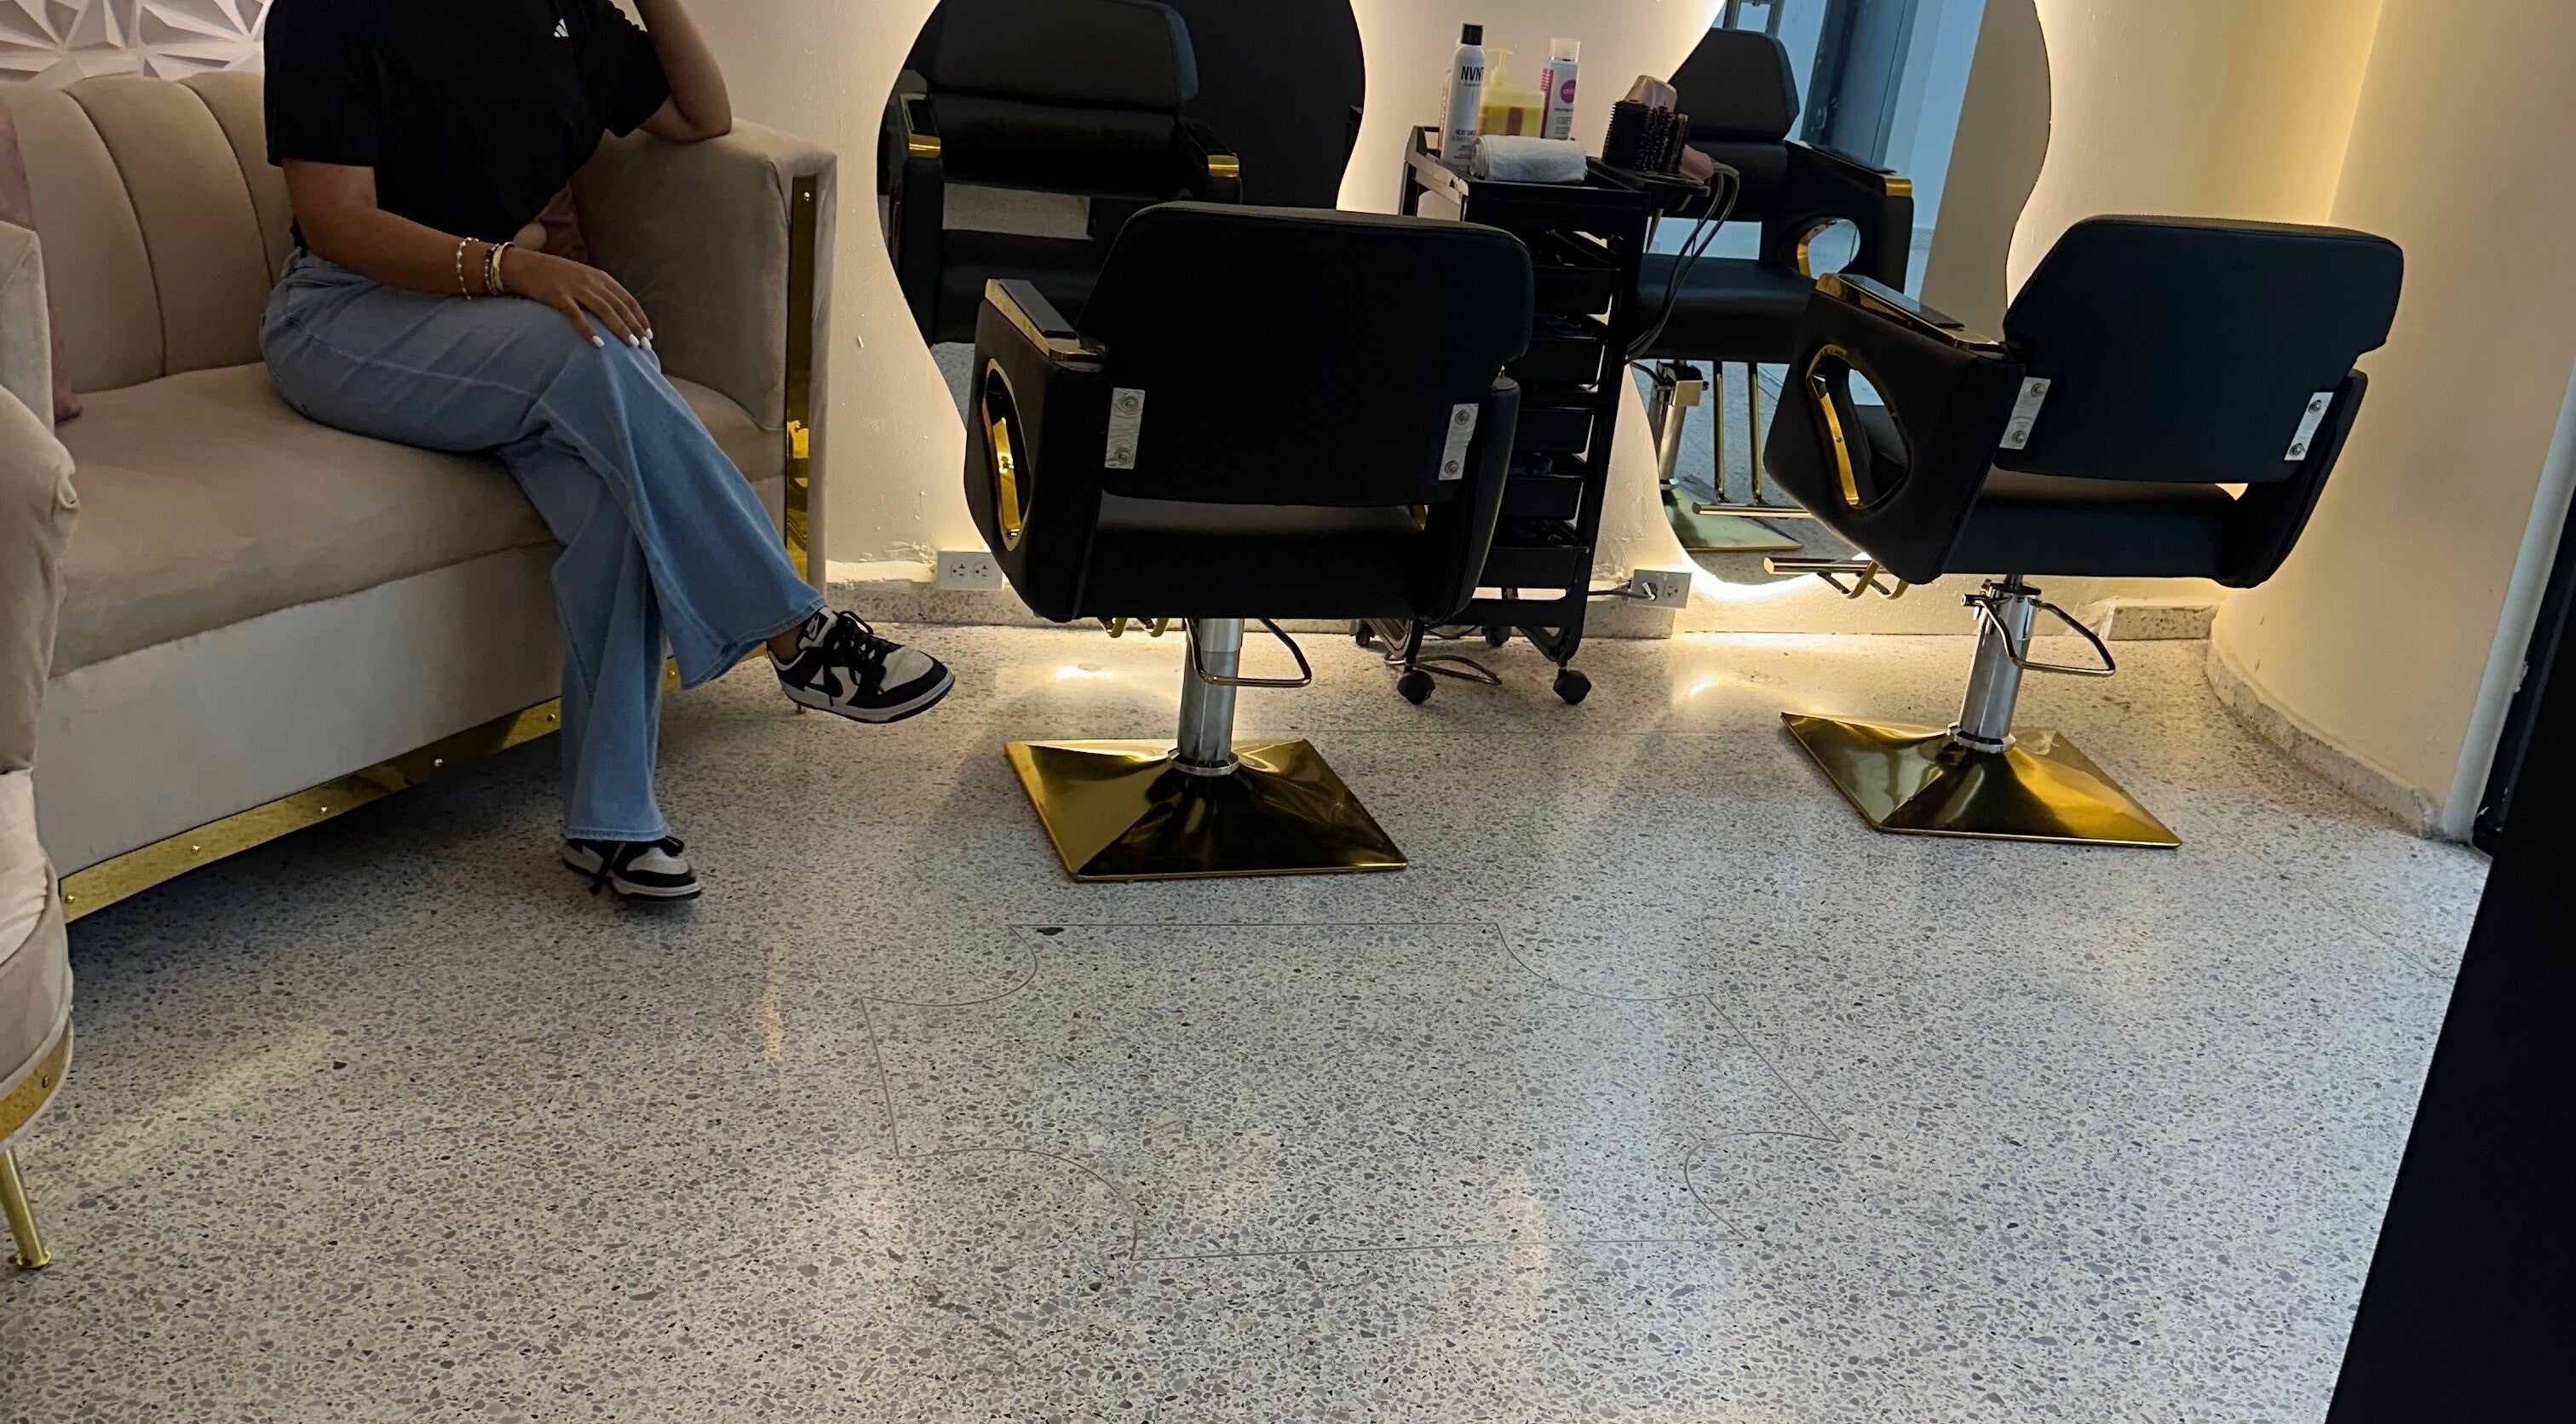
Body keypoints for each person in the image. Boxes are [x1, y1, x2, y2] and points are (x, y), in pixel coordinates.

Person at [261, 0, 953, 902]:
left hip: (489, 327)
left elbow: (701, 114)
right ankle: (792, 630)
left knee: (617, 496)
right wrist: (514, 268)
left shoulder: (559, 12)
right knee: (586, 342)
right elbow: (336, 221)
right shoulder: (327, 12)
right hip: (346, 319)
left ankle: (611, 822)